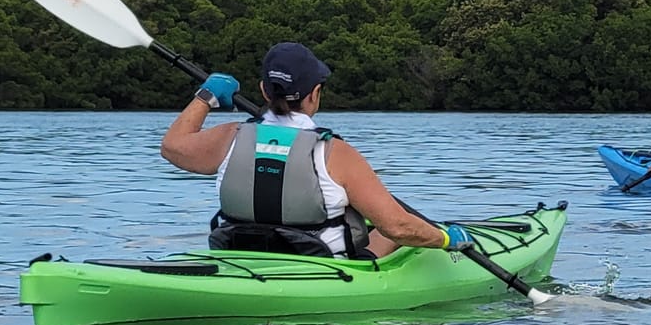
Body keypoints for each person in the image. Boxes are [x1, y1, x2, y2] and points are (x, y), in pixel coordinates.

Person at [159, 41, 467, 258]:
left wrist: (206, 97)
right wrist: (443, 238)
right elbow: (398, 227)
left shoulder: (228, 136)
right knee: (398, 231)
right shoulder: (335, 152)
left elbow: (172, 147)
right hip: (321, 269)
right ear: (315, 93)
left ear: (264, 89)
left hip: (241, 256)